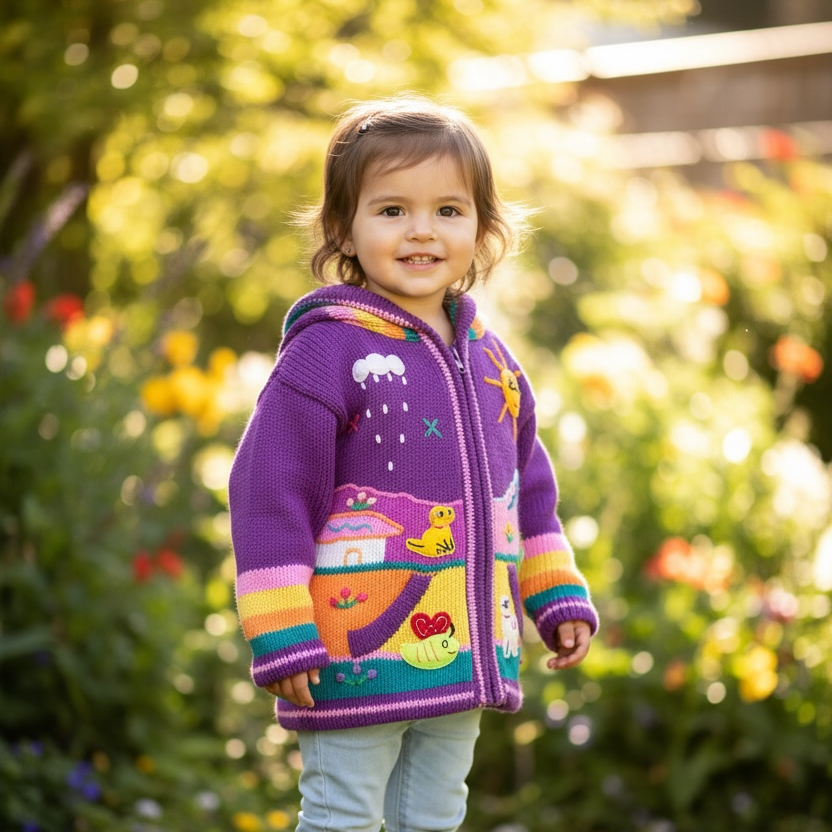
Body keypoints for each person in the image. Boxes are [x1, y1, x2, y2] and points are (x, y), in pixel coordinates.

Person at [228, 94, 598, 832]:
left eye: (449, 211)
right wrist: (280, 626)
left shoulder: (491, 360)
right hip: (352, 654)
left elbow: (528, 493)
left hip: (462, 657)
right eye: (392, 210)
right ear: (345, 227)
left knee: (433, 815)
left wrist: (553, 593)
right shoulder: (328, 352)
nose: (422, 230)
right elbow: (268, 492)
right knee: (344, 816)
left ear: (483, 227)